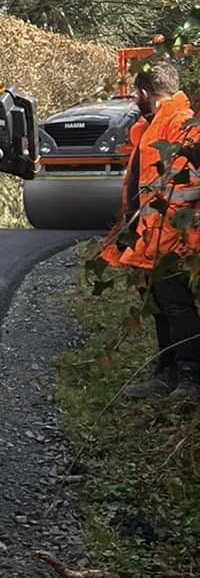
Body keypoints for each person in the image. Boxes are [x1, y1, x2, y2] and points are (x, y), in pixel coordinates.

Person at [102, 58, 200, 401]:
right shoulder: (157, 123)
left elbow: (185, 187)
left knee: (177, 305)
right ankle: (167, 373)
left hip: (170, 237)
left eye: (136, 95)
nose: (134, 101)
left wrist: (164, 232)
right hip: (153, 235)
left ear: (146, 93)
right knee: (160, 305)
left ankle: (190, 379)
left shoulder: (180, 124)